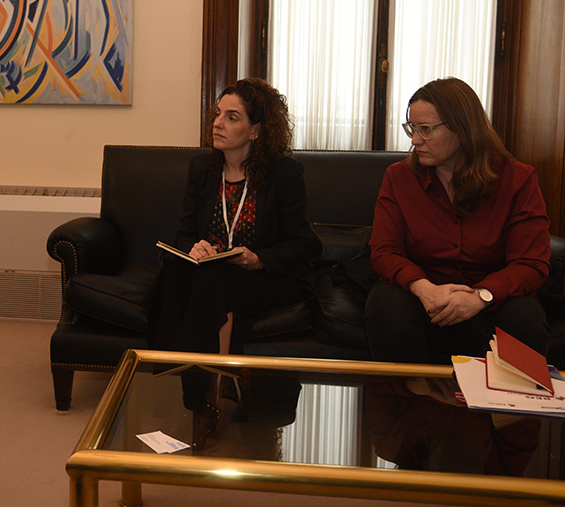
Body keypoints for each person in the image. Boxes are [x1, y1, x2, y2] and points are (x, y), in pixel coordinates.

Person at [149, 78, 321, 445]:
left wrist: (259, 259)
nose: (218, 123)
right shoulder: (202, 169)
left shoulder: (284, 175)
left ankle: (205, 398)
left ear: (256, 130)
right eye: (217, 114)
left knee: (215, 282)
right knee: (178, 273)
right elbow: (183, 233)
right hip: (213, 277)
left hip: (267, 278)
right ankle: (188, 393)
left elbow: (305, 244)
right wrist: (194, 247)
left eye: (232, 117)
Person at [365, 77, 551, 364]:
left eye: (426, 129)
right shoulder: (399, 177)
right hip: (423, 298)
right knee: (385, 303)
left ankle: (510, 396)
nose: (415, 140)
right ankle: (406, 391)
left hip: (492, 299)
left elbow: (531, 263)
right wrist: (423, 288)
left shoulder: (517, 179)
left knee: (524, 317)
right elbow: (384, 251)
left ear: (463, 128)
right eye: (412, 128)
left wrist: (480, 296)